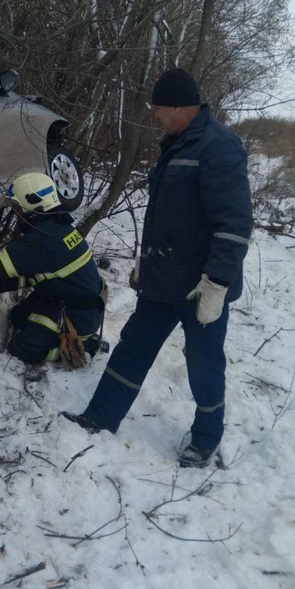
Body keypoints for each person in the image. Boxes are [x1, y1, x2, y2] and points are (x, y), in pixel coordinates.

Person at [62, 68, 252, 468]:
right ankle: (100, 417)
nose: (157, 117)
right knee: (132, 349)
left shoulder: (219, 147)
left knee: (203, 364)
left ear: (182, 108)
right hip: (163, 280)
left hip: (201, 287)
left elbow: (233, 225)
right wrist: (144, 265)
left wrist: (216, 282)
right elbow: (168, 218)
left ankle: (204, 440)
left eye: (160, 110)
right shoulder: (179, 143)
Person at [0, 172, 105, 373]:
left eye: (19, 207)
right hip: (63, 299)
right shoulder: (58, 228)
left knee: (21, 348)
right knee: (16, 318)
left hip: (77, 314)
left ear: (35, 205)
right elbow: (34, 273)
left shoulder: (43, 239)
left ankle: (84, 346)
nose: (17, 213)